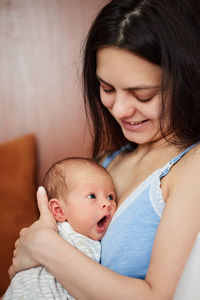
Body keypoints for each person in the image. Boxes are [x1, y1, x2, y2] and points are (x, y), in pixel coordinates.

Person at [8, 0, 200, 299]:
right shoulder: (104, 163)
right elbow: (22, 267)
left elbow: (155, 297)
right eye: (107, 89)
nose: (120, 109)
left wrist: (44, 246)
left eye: (142, 94)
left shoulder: (192, 167)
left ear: (188, 83)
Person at [3, 157, 116, 299]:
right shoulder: (66, 236)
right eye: (92, 196)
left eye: (111, 197)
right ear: (59, 211)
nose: (107, 203)